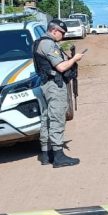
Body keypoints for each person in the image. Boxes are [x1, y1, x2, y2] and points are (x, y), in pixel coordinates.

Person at [32, 18, 84, 168]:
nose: (63, 35)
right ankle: (58, 156)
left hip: (44, 84)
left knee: (46, 118)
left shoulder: (39, 42)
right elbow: (61, 67)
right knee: (56, 118)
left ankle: (46, 154)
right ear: (54, 30)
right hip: (54, 86)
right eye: (62, 32)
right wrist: (74, 58)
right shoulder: (48, 44)